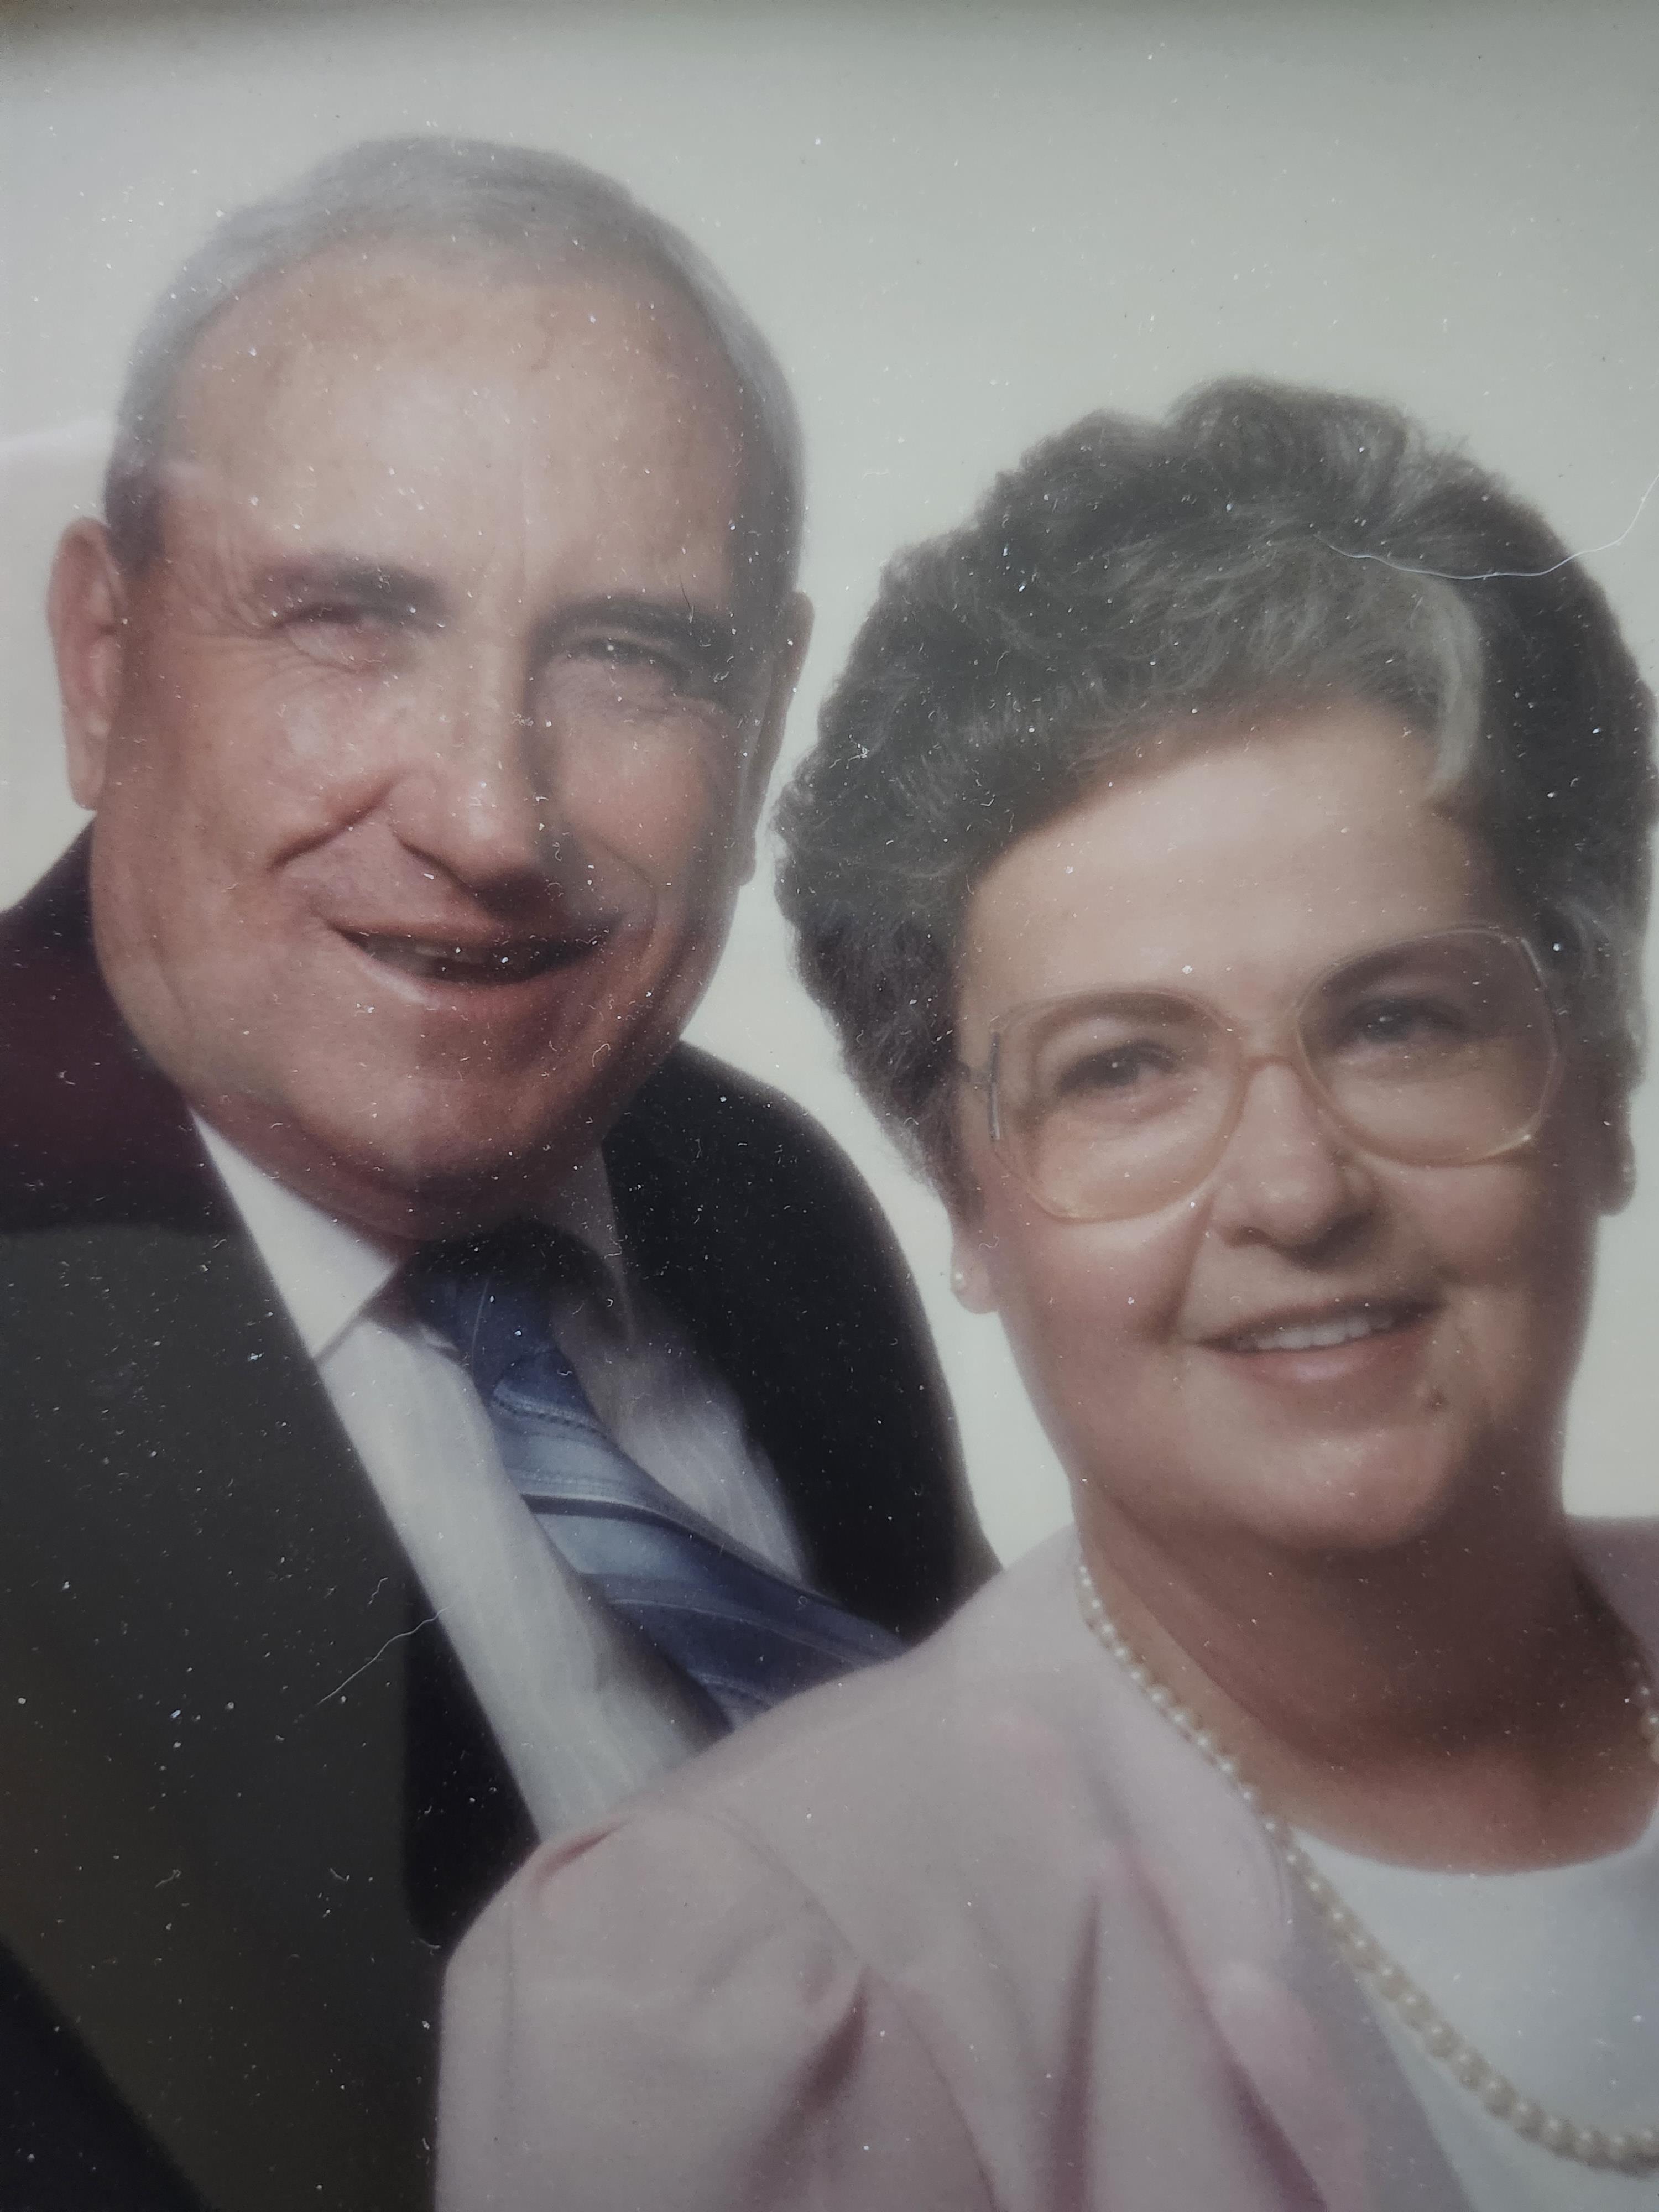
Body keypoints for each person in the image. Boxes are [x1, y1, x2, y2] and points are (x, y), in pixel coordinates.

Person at [439, 378, 1659, 2211]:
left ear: (1600, 1088)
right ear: (971, 1201)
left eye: (1401, 1021)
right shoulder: (722, 1984)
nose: (1297, 1190)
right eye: (1123, 1070)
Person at [0, 136, 991, 2212]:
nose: (485, 815)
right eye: (348, 621)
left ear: (766, 716)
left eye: (633, 655)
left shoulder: (763, 1199)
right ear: (104, 657)